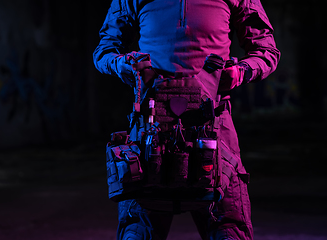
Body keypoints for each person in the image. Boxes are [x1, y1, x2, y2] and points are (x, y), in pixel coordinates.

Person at [93, 0, 280, 239]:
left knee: (229, 233)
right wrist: (126, 65)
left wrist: (239, 72)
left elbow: (266, 51)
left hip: (213, 133)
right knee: (137, 234)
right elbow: (104, 51)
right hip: (150, 131)